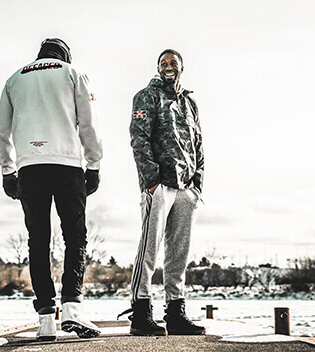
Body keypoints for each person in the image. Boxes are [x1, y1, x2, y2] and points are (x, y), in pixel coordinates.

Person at [0, 38, 103, 340]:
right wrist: (93, 164)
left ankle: (45, 319)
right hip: (66, 164)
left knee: (38, 240)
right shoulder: (73, 73)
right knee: (75, 235)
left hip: (29, 167)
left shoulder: (14, 79)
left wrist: (7, 169)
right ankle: (71, 306)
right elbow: (89, 123)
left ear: (40, 55)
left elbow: (2, 129)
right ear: (65, 54)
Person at [128, 49, 205, 336]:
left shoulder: (190, 103)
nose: (168, 67)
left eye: (173, 63)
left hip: (186, 187)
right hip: (158, 186)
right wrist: (151, 182)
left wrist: (198, 183)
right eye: (163, 63)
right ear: (158, 68)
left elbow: (199, 143)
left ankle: (176, 314)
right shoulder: (146, 97)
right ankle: (140, 312)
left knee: (179, 254)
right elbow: (139, 138)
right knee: (150, 249)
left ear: (182, 68)